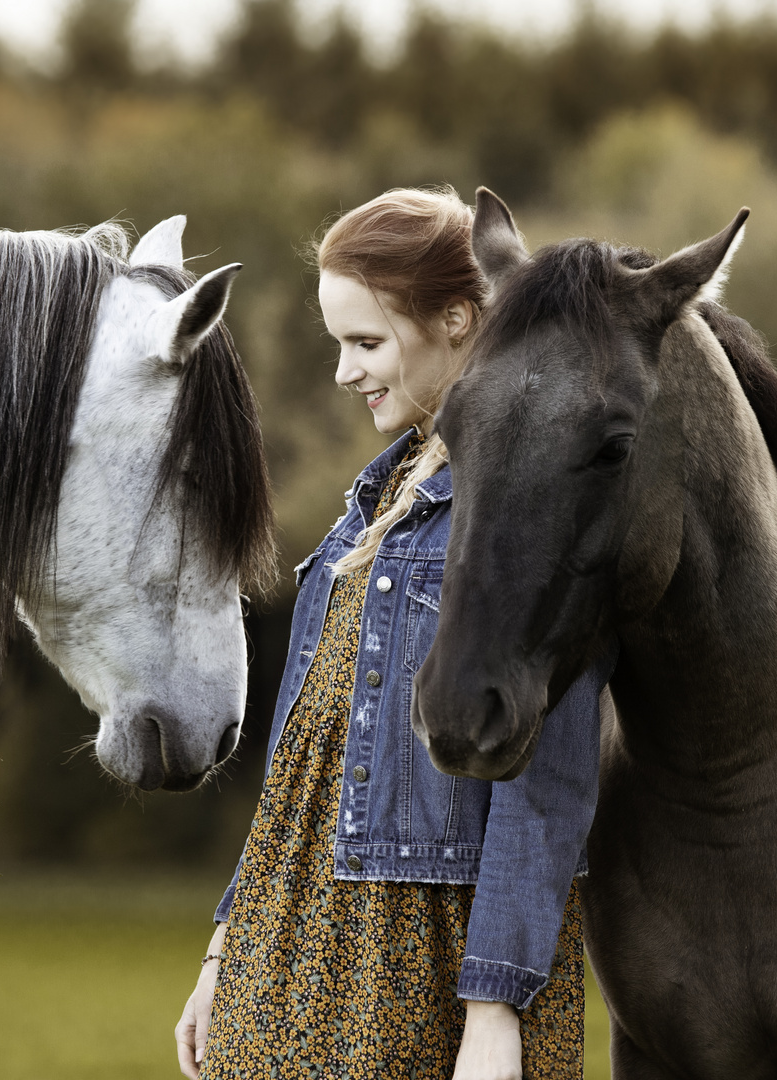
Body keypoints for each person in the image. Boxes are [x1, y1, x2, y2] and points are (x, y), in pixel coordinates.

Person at [175, 187, 608, 1080]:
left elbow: (549, 786)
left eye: (365, 342)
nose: (343, 371)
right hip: (285, 950)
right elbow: (303, 759)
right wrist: (226, 948)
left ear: (456, 319)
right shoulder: (372, 504)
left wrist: (494, 1008)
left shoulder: (528, 515)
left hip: (421, 966)